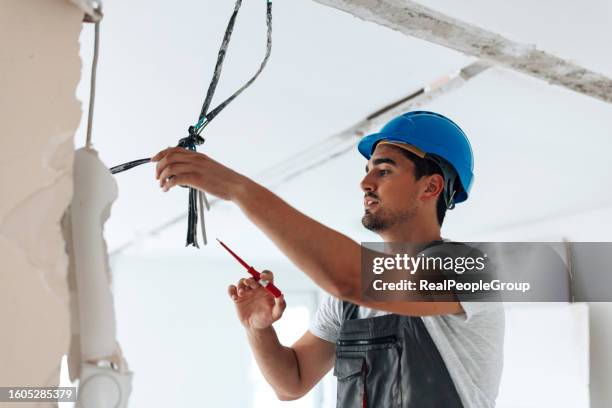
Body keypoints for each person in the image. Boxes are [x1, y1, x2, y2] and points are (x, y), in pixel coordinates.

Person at [152, 111, 505, 407]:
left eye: (383, 170)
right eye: (367, 170)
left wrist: (237, 189)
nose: (365, 183)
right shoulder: (349, 305)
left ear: (430, 187)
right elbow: (291, 382)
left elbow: (349, 276)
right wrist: (258, 330)